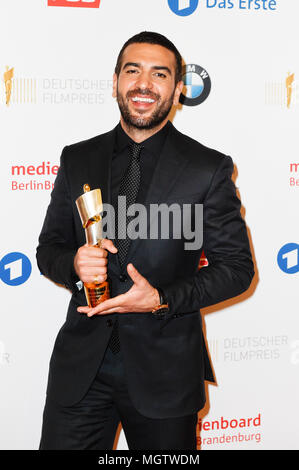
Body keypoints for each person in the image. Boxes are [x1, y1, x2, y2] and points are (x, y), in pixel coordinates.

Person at [37, 31, 254, 450]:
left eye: (160, 74)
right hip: (81, 374)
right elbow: (49, 249)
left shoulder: (207, 169)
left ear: (176, 90)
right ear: (116, 80)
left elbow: (237, 270)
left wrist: (161, 298)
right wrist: (73, 266)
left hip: (166, 376)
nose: (143, 84)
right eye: (132, 70)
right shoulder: (77, 158)